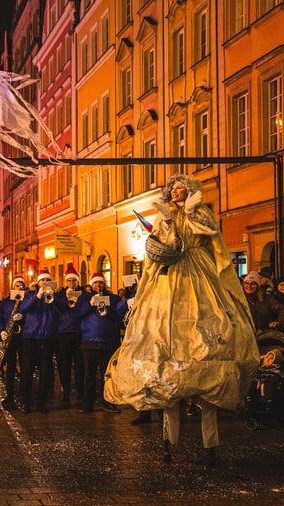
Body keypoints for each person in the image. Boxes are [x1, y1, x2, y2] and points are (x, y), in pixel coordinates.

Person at [104, 174, 259, 466]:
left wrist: (189, 213)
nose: (177, 194)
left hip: (200, 274)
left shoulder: (200, 213)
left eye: (182, 190)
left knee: (210, 336)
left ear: (190, 193)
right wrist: (167, 222)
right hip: (172, 276)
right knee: (166, 374)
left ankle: (210, 444)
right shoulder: (166, 217)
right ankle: (168, 442)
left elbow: (211, 234)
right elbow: (164, 249)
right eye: (174, 190)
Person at [73, 272, 124, 414]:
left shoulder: (113, 298)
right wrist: (90, 304)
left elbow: (119, 317)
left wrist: (109, 312)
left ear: (104, 284)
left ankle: (108, 402)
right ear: (91, 284)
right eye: (95, 283)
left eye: (100, 283)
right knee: (89, 375)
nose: (98, 285)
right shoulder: (84, 298)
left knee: (107, 376)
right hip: (89, 342)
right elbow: (77, 314)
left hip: (109, 342)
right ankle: (87, 404)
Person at [18, 270, 64, 413]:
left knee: (45, 373)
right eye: (42, 280)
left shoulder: (55, 296)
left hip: (47, 338)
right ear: (38, 282)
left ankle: (41, 403)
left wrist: (54, 297)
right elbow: (23, 308)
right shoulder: (30, 295)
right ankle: (26, 402)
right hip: (30, 338)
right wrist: (37, 296)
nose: (44, 282)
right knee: (27, 372)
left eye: (47, 280)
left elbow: (63, 309)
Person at [0, 275, 27, 409]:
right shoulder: (5, 302)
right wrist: (1, 331)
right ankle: (9, 394)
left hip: (24, 338)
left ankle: (25, 394)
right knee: (10, 369)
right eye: (17, 285)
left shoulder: (26, 301)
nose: (19, 288)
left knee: (25, 368)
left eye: (21, 286)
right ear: (13, 287)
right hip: (10, 337)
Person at [54, 266, 84, 405]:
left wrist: (78, 303)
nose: (71, 283)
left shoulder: (83, 295)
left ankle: (80, 391)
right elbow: (57, 309)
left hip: (79, 333)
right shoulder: (60, 295)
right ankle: (65, 390)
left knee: (79, 364)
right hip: (63, 334)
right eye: (69, 280)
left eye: (74, 281)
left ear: (78, 282)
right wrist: (66, 299)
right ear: (66, 282)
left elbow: (84, 311)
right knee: (64, 364)